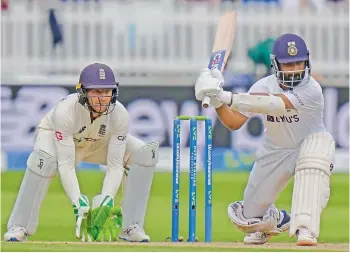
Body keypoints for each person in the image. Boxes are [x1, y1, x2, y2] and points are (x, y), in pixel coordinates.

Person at [194, 33, 335, 246]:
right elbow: (234, 122)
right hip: (275, 151)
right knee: (247, 217)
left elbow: (273, 104)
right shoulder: (263, 85)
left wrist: (226, 96)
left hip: (310, 144)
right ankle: (276, 220)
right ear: (275, 64)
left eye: (299, 63)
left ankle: (304, 227)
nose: (295, 69)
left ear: (307, 62)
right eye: (288, 64)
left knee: (313, 160)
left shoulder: (311, 89)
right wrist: (215, 99)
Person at [4, 63, 159, 243]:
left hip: (97, 143)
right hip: (54, 137)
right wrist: (78, 202)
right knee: (43, 161)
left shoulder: (120, 115)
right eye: (96, 92)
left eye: (107, 92)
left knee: (143, 153)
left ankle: (131, 226)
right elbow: (66, 165)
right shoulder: (65, 111)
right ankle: (19, 226)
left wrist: (106, 200)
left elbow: (115, 164)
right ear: (83, 92)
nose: (102, 99)